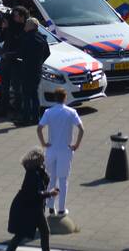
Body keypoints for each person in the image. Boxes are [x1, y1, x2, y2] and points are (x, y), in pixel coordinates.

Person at [37, 87, 84, 216]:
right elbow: (81, 129)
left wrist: (43, 143)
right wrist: (76, 145)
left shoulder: (48, 112)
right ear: (65, 98)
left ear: (54, 98)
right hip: (65, 150)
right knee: (63, 180)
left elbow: (39, 128)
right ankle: (62, 209)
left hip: (51, 150)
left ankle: (51, 207)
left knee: (52, 178)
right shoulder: (71, 112)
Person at [5, 149, 56, 251]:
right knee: (21, 234)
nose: (44, 160)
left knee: (44, 232)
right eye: (42, 158)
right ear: (38, 160)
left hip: (34, 208)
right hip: (28, 209)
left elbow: (43, 183)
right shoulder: (32, 174)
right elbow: (34, 194)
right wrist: (49, 194)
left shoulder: (37, 171)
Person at [0, 6, 28, 116]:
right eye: (13, 15)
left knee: (17, 88)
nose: (13, 17)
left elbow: (21, 46)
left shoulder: (25, 28)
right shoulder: (11, 26)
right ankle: (2, 110)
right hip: (5, 60)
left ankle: (19, 112)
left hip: (16, 61)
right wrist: (1, 26)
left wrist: (11, 55)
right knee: (3, 86)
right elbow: (0, 38)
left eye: (16, 15)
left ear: (22, 16)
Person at [20, 17, 51, 125]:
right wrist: (39, 62)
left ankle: (26, 119)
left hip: (27, 69)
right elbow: (47, 52)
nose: (24, 26)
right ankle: (36, 118)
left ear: (30, 26)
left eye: (26, 24)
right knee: (34, 94)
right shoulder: (42, 38)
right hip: (37, 69)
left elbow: (21, 53)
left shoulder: (27, 38)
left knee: (26, 95)